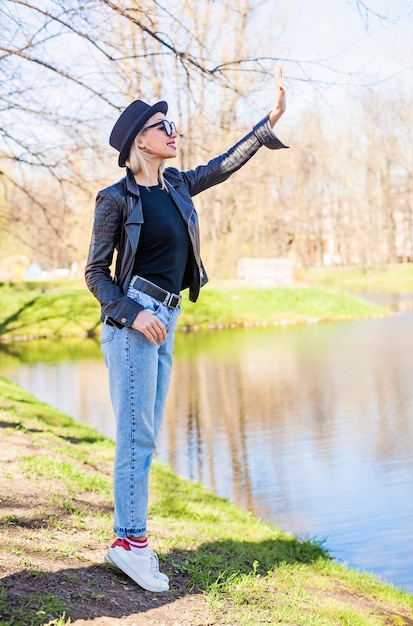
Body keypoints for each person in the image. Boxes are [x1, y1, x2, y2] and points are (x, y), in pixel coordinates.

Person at [85, 65, 287, 593]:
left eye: (171, 126)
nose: (173, 132)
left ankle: (128, 540)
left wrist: (265, 126)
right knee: (137, 437)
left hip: (166, 318)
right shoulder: (116, 198)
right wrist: (133, 312)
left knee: (146, 438)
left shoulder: (175, 185)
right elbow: (94, 274)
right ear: (139, 142)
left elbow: (220, 168)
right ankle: (131, 543)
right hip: (136, 321)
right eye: (162, 127)